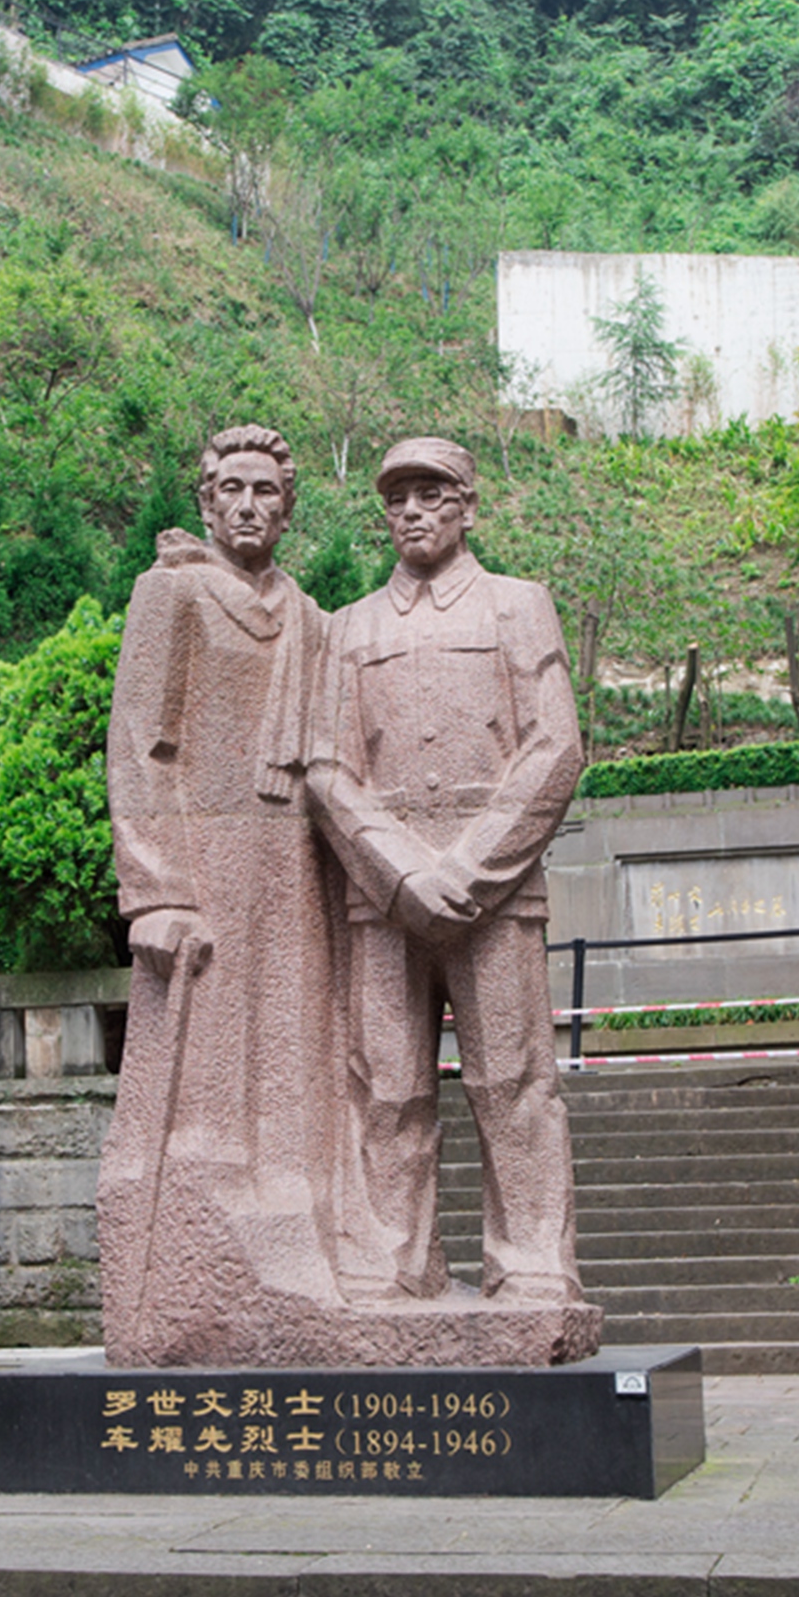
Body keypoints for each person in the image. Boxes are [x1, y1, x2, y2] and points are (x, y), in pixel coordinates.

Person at [309, 436, 588, 1307]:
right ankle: (393, 1258)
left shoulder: (517, 606)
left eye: (431, 494)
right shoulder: (348, 627)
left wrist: (470, 868)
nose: (413, 512)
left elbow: (557, 745)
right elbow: (325, 766)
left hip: (495, 896)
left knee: (513, 1083)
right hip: (383, 900)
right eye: (398, 499)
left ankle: (535, 1259)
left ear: (467, 504)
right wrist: (399, 873)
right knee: (385, 1087)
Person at [99, 426, 346, 1364]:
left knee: (294, 1042)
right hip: (205, 860)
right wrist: (156, 889)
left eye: (266, 492)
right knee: (206, 1058)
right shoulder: (171, 594)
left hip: (296, 858)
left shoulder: (311, 616)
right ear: (207, 502)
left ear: (289, 507)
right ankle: (191, 1257)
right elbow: (137, 742)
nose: (249, 506)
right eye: (232, 490)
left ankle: (294, 1218)